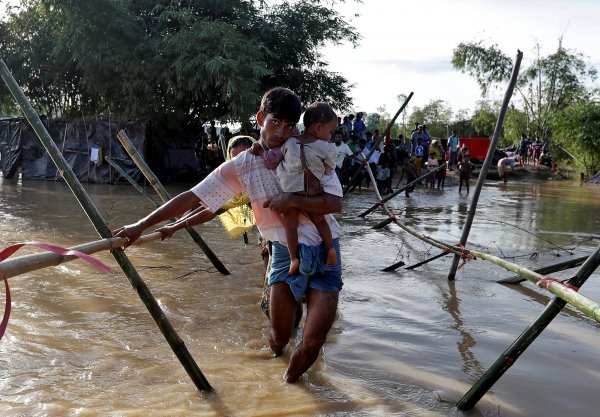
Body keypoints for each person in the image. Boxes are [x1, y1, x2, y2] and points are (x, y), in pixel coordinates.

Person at [114, 87, 343, 383]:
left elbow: (335, 203)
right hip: (284, 251)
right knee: (280, 336)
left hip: (327, 250)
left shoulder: (308, 149)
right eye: (275, 123)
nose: (281, 132)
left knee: (313, 341)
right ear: (261, 118)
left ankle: (286, 390)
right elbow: (193, 197)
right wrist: (139, 226)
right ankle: (275, 363)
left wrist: (294, 201)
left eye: (289, 126)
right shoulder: (244, 165)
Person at [275, 102, 338, 275]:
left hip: (291, 191)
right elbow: (329, 168)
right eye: (330, 132)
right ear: (318, 128)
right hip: (312, 193)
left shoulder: (290, 141)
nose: (330, 136)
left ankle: (293, 258)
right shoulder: (325, 147)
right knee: (320, 221)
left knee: (290, 227)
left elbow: (279, 159)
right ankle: (331, 249)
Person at [156, 136, 256, 240]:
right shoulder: (232, 180)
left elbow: (211, 210)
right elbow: (211, 206)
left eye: (243, 158)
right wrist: (176, 224)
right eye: (235, 160)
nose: (240, 164)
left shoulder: (266, 172)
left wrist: (176, 226)